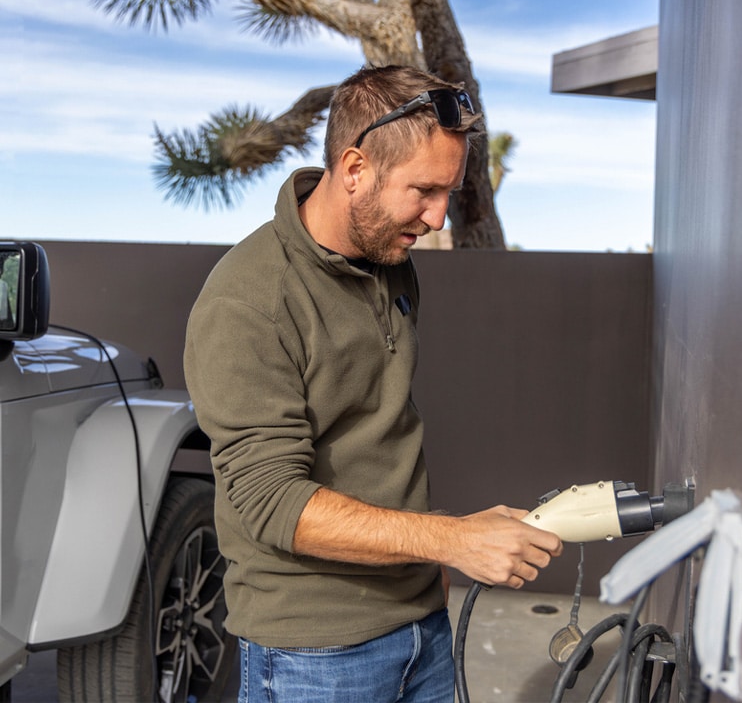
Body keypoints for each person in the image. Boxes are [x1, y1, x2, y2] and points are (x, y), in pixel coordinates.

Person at [184, 65, 563, 703]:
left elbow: (377, 436)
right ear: (355, 168)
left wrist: (431, 559)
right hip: (316, 654)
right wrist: (454, 538)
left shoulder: (389, 261)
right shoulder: (246, 301)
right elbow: (272, 501)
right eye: (424, 190)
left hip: (420, 624)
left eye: (450, 191)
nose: (439, 218)